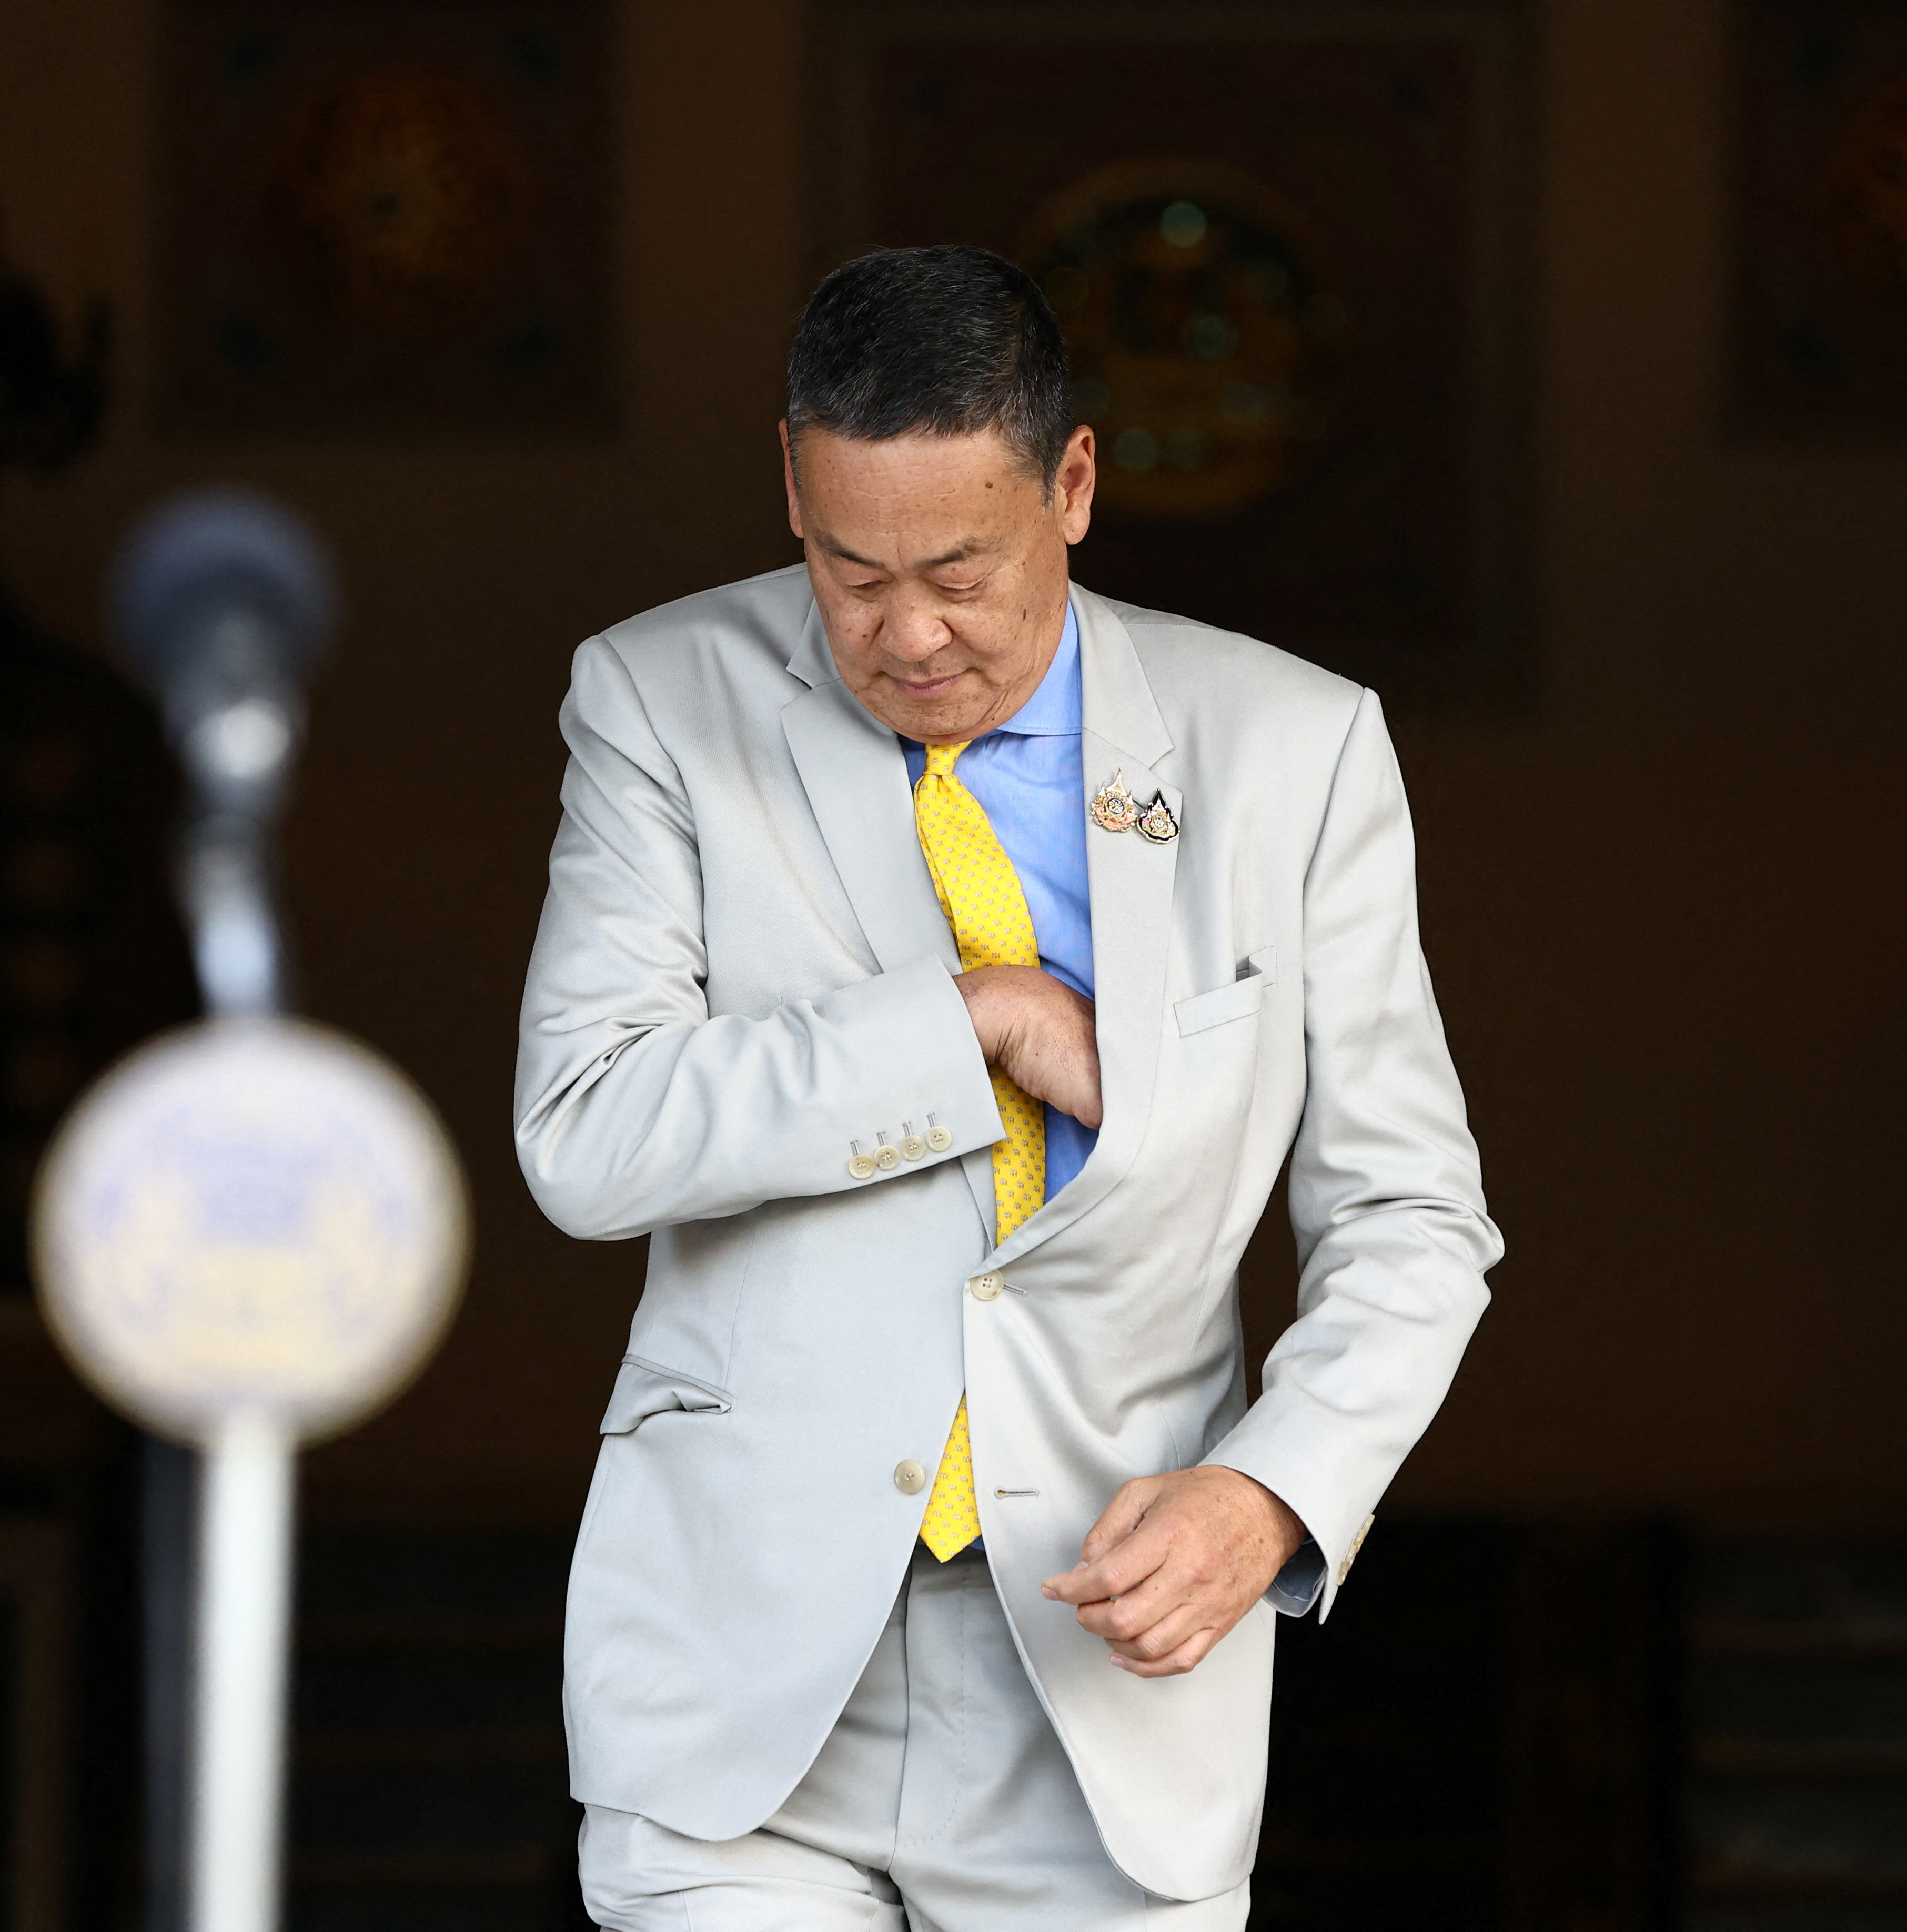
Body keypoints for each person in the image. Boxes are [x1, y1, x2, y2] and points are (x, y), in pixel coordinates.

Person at [513, 243, 1499, 1931]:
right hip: (735, 1677)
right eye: (849, 571)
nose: (906, 633)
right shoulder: (656, 698)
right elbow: (587, 1131)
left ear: (1077, 484)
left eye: (960, 571)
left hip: (1107, 1681)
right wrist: (962, 1023)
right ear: (791, 489)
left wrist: (1272, 1492)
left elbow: (1414, 1216)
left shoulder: (1295, 746)